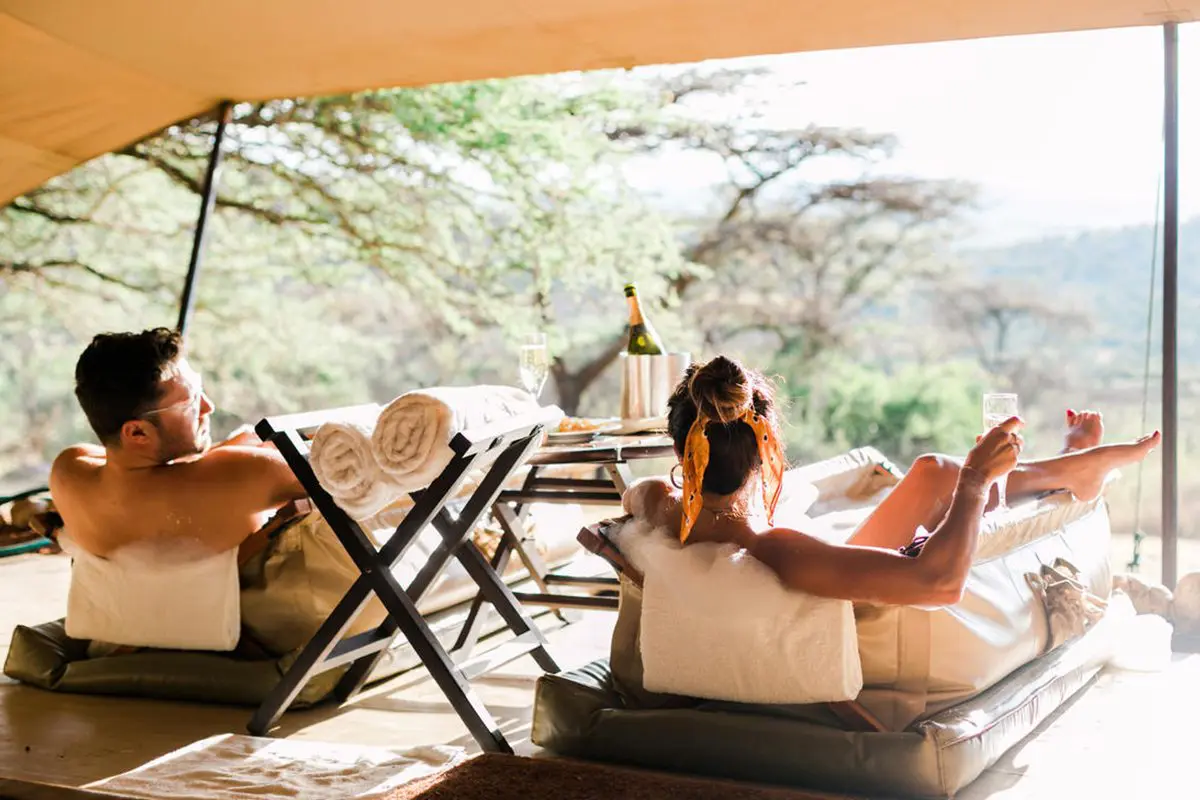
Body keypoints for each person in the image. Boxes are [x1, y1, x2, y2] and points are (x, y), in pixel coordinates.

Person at [623, 355, 1161, 608]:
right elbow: (938, 585)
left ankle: (1068, 468)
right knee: (946, 475)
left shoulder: (657, 501)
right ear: (767, 448)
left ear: (679, 450)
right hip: (844, 585)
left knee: (929, 471)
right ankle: (1069, 469)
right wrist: (974, 482)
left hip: (819, 546)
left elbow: (643, 495)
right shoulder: (774, 548)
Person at [50, 327, 306, 563]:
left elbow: (147, 476)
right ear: (137, 432)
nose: (208, 407)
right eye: (191, 403)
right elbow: (328, 468)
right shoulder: (236, 477)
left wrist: (220, 450)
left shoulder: (68, 471)